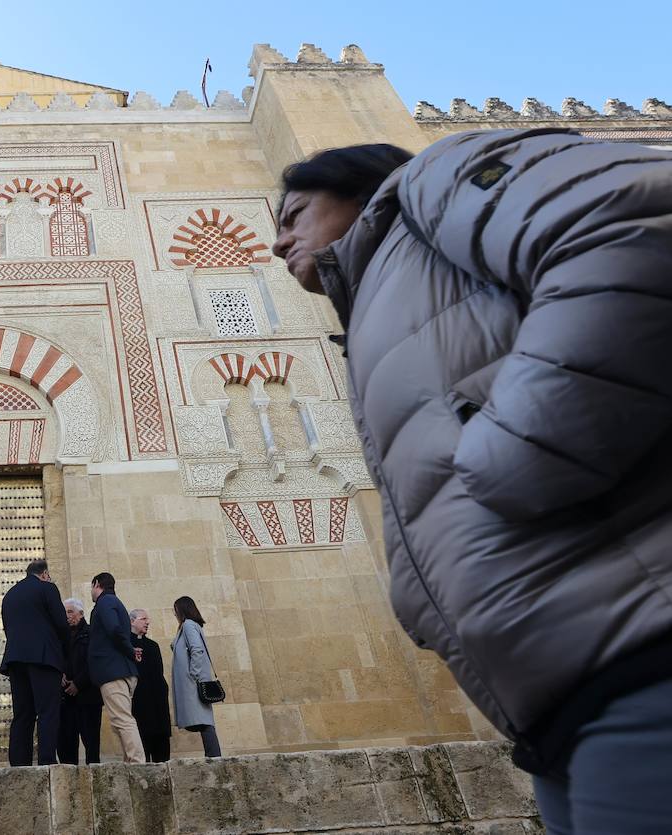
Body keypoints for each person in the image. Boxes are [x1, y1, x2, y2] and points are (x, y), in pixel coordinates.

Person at [272, 130, 672, 834]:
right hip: (555, 704)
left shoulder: (432, 183)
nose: (278, 242)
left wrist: (522, 449)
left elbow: (634, 217)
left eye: (294, 213)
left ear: (358, 190)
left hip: (639, 650)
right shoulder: (375, 305)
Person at [0, 558, 69, 766]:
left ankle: (19, 763)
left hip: (15, 659)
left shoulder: (10, 594)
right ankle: (47, 760)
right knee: (47, 711)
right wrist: (64, 656)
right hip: (44, 659)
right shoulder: (47, 588)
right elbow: (62, 625)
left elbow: (7, 628)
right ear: (45, 574)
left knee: (22, 713)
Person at [88, 572, 144, 763]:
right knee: (120, 720)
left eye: (91, 587)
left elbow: (114, 629)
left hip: (113, 672)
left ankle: (137, 763)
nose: (91, 592)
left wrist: (129, 650)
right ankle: (131, 762)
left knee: (122, 719)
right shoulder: (114, 602)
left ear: (97, 584)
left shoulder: (105, 602)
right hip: (120, 670)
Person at [170, 597, 220, 757]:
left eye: (175, 609)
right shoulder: (188, 626)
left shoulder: (189, 625)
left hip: (194, 682)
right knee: (203, 720)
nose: (174, 613)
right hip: (194, 681)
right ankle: (212, 755)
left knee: (204, 721)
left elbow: (196, 649)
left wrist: (194, 673)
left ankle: (214, 756)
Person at [57, 598, 102, 765]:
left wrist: (78, 683)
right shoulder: (60, 635)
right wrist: (59, 674)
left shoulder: (92, 633)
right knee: (65, 744)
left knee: (91, 744)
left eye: (70, 612)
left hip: (88, 697)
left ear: (81, 614)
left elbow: (94, 662)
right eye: (65, 613)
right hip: (65, 699)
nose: (67, 616)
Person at [130, 608, 171, 762]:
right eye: (143, 618)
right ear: (132, 621)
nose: (147, 622)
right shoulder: (126, 645)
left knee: (161, 750)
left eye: (147, 619)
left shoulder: (153, 646)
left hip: (157, 704)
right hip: (139, 702)